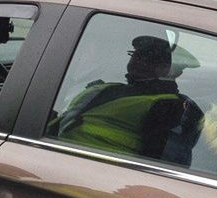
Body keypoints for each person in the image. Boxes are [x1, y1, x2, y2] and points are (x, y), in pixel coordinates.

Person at [52, 35, 203, 163]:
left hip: (95, 169)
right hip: (61, 155)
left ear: (170, 71)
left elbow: (161, 162)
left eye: (148, 58)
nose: (137, 60)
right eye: (135, 55)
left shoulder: (169, 106)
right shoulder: (110, 87)